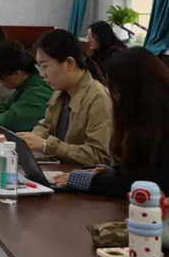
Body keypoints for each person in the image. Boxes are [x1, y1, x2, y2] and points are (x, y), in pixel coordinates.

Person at [51, 47, 169, 196]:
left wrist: (93, 181)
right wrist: (112, 172)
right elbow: (142, 170)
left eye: (117, 90)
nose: (114, 97)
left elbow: (157, 188)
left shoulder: (163, 126)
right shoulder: (144, 120)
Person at [16, 29, 112, 166]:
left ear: (69, 63)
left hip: (80, 175)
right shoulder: (61, 91)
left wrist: (46, 145)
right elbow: (46, 125)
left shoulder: (99, 98)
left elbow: (99, 156)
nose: (42, 74)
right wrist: (30, 138)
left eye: (45, 66)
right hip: (60, 169)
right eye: (40, 68)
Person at [0, 41, 53, 132]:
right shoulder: (26, 82)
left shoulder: (38, 88)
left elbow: (15, 120)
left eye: (0, 78)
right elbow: (7, 106)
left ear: (16, 73)